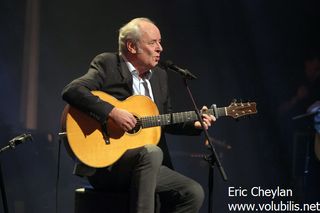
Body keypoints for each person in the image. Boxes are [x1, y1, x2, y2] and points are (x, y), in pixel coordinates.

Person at [62, 17, 215, 213]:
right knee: (152, 152)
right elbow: (72, 91)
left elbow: (163, 119)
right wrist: (113, 112)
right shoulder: (108, 64)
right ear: (132, 47)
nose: (160, 48)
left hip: (147, 165)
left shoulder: (159, 76)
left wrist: (193, 124)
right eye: (153, 42)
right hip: (108, 165)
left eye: (160, 42)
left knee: (192, 193)